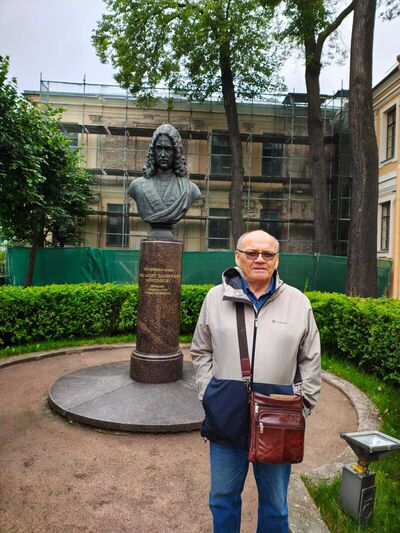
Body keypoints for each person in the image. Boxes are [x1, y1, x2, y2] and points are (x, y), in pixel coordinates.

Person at [191, 230, 321, 533]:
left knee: (276, 504)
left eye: (268, 254)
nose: (260, 259)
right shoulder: (215, 298)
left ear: (277, 260)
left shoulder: (298, 302)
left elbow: (311, 359)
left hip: (279, 419)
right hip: (226, 415)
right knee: (222, 498)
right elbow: (201, 350)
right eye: (252, 253)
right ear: (238, 257)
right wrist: (209, 393)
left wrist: (302, 404)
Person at [127, 123, 201, 227]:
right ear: (153, 151)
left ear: (176, 152)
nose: (162, 154)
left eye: (167, 149)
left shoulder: (190, 189)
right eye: (158, 148)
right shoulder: (136, 186)